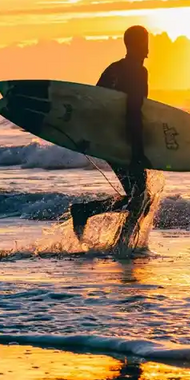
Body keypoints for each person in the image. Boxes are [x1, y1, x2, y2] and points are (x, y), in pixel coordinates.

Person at [70, 25, 152, 242]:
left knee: (140, 198)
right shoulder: (137, 71)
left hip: (107, 139)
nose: (147, 47)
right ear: (136, 45)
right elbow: (134, 112)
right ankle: (116, 239)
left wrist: (88, 135)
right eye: (144, 41)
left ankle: (118, 239)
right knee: (141, 198)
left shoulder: (113, 69)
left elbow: (93, 102)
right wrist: (138, 150)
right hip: (122, 142)